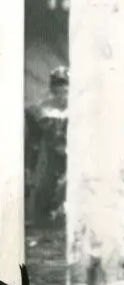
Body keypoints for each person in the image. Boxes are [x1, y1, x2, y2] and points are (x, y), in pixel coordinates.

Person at [25, 66, 70, 224]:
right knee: (42, 200)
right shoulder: (43, 108)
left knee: (70, 182)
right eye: (57, 91)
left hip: (77, 153)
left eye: (65, 90)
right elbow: (34, 141)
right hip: (52, 154)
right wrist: (29, 167)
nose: (61, 95)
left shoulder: (81, 108)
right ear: (52, 90)